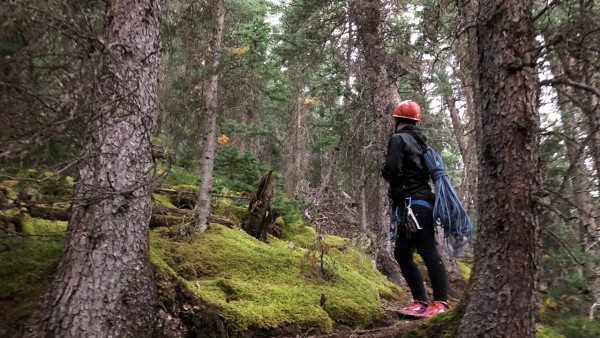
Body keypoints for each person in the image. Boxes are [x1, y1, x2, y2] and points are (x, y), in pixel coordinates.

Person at [381, 100, 450, 318]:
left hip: (414, 204)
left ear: (397, 119)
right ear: (416, 121)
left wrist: (384, 169)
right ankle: (420, 301)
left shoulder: (397, 139)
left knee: (428, 250)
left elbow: (392, 171)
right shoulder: (422, 144)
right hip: (419, 204)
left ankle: (440, 303)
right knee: (402, 253)